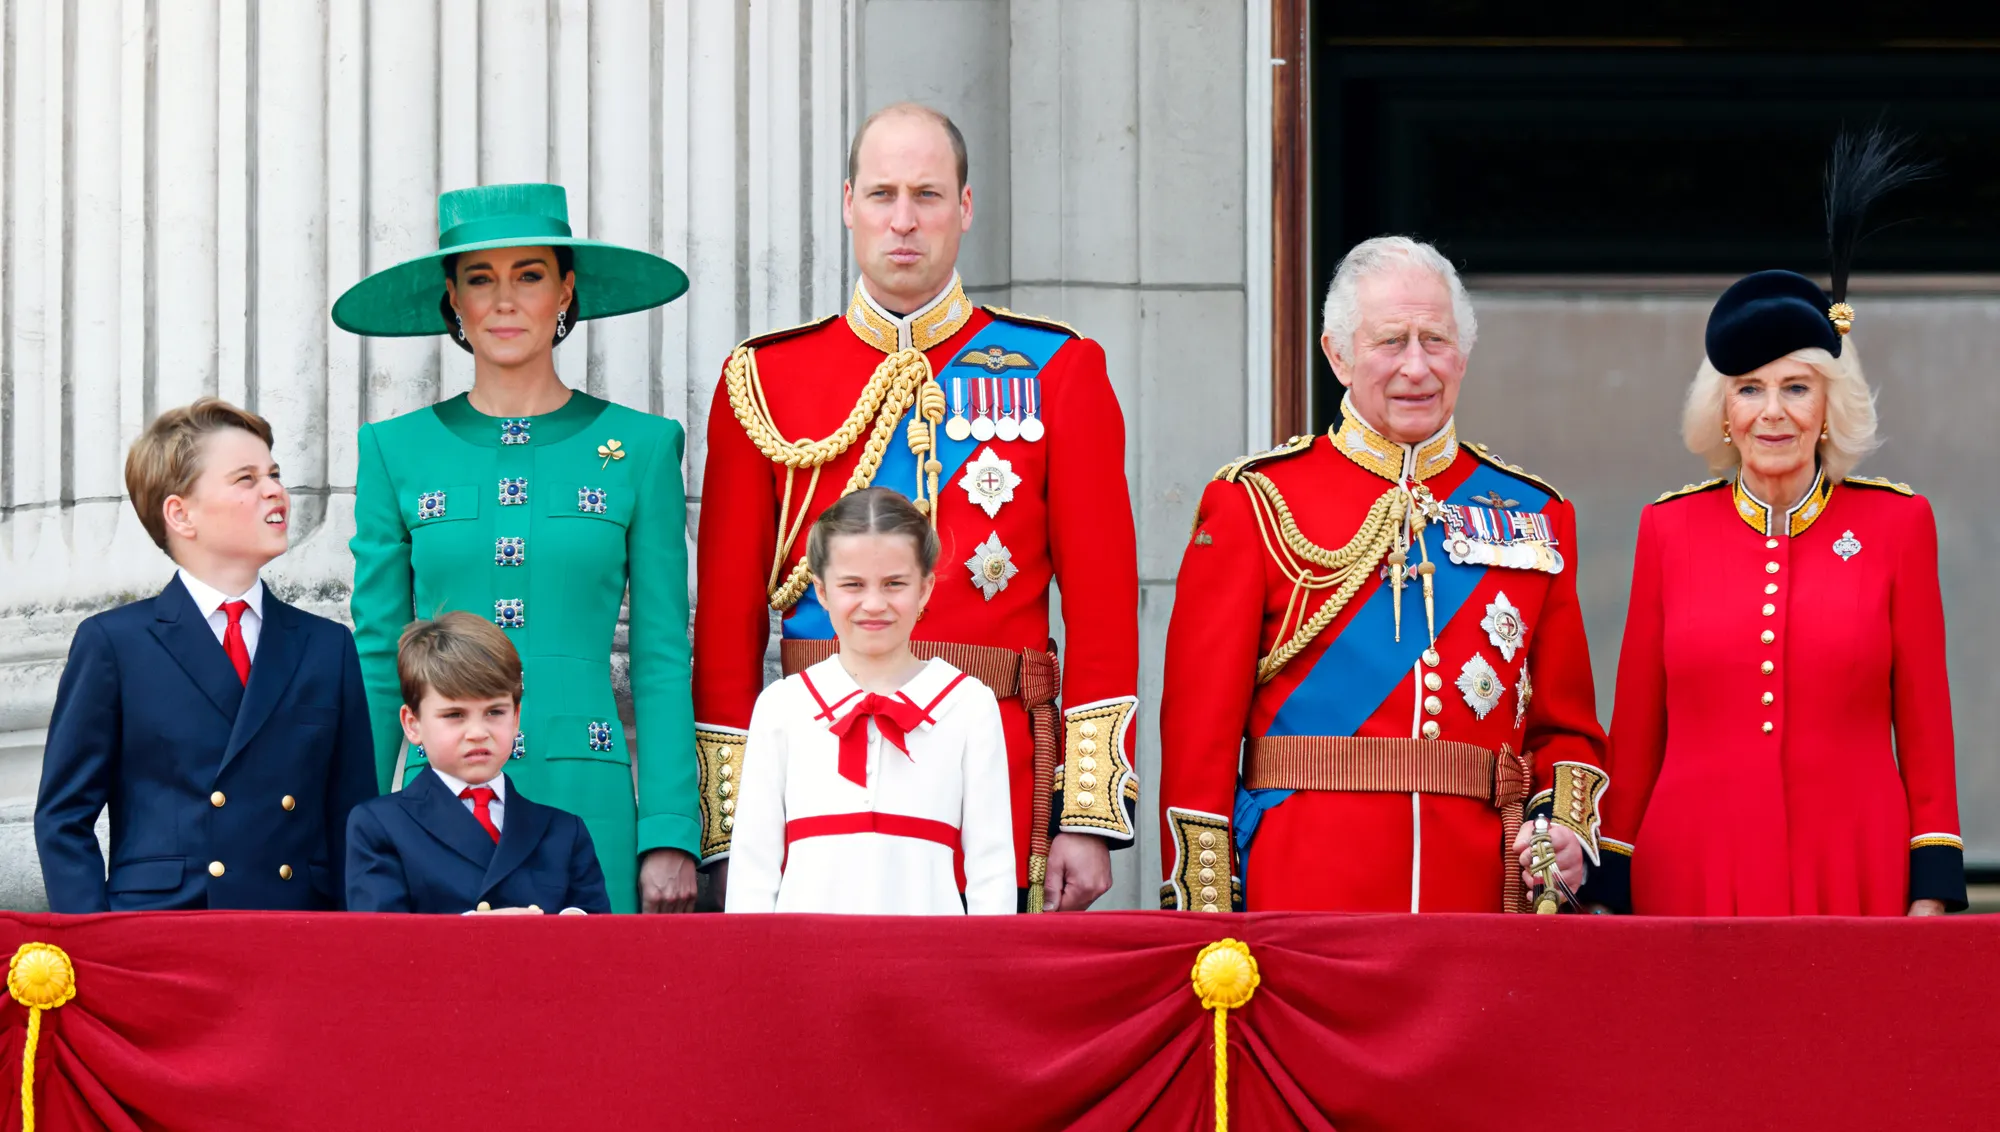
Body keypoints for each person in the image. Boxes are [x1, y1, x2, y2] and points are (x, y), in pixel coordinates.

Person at [693, 103, 1139, 912]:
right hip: (812, 762)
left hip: (999, 761)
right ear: (847, 204)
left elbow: (1105, 611)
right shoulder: (764, 380)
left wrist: (1089, 813)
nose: (904, 221)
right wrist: (729, 828)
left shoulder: (1058, 368)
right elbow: (725, 629)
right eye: (883, 194)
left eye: (928, 196)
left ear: (965, 208)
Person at [1156, 236, 1609, 913]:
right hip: (1302, 898)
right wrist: (1205, 910)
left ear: (1465, 351)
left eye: (1437, 340)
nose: (1417, 367)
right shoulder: (1255, 502)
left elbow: (1566, 730)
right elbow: (1199, 739)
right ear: (1337, 354)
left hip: (1481, 903)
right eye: (1391, 342)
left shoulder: (1535, 514)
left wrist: (1566, 831)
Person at [1587, 132, 1964, 916]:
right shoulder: (1669, 531)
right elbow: (1636, 731)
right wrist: (1610, 878)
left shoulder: (1898, 525)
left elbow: (1925, 729)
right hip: (1688, 868)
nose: (1773, 413)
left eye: (1797, 387)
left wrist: (1932, 882)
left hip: (1855, 862)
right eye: (1749, 389)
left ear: (1829, 406)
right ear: (1722, 412)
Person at [333, 183, 699, 914]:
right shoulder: (392, 450)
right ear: (453, 300)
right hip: (428, 815)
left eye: (529, 275)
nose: (505, 301)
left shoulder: (642, 449)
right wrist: (361, 821)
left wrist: (669, 831)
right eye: (480, 279)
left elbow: (662, 654)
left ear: (567, 292)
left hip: (589, 797)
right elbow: (378, 658)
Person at [35, 399, 375, 912]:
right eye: (245, 479)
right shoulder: (115, 643)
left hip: (296, 929)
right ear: (181, 514)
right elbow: (64, 816)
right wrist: (94, 943)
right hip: (163, 931)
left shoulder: (328, 646)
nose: (274, 490)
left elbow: (352, 816)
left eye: (274, 474)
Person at [725, 489, 1014, 914]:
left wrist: (981, 974)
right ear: (821, 591)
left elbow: (993, 872)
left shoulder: (970, 704)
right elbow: (753, 870)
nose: (874, 604)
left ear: (925, 588)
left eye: (895, 584)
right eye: (853, 585)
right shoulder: (782, 706)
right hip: (804, 964)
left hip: (932, 965)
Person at [346, 613, 611, 915]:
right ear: (413, 723)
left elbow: (600, 949)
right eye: (454, 715)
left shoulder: (564, 832)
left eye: (494, 712)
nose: (477, 733)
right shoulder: (379, 826)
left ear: (516, 717)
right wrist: (478, 934)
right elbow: (380, 946)